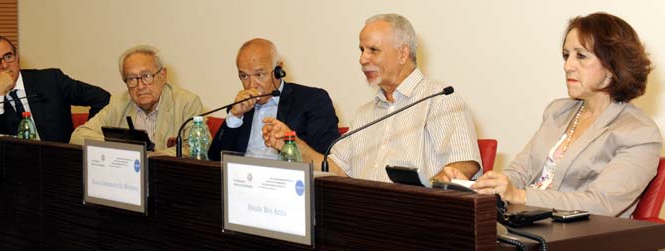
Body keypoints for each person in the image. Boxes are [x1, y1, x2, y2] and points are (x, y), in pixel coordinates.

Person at [469, 12, 662, 218]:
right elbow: (520, 173)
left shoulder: (640, 133)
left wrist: (520, 196)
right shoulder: (558, 111)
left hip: (579, 237)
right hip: (525, 223)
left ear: (611, 67)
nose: (567, 66)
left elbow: (601, 203)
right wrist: (487, 185)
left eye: (581, 56)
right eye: (566, 55)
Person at [262, 14, 482, 182]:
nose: (362, 59)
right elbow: (334, 168)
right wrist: (292, 144)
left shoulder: (439, 98)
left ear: (403, 54)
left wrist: (425, 195)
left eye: (373, 50)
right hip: (365, 222)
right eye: (361, 49)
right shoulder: (365, 114)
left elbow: (464, 164)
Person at [207, 38, 340, 160]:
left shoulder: (312, 100)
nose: (251, 85)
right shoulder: (240, 107)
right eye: (244, 76)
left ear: (278, 70)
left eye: (259, 74)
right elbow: (215, 159)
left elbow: (326, 159)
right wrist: (235, 116)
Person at [0, 35, 110, 143]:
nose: (5, 65)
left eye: (8, 56)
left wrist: (84, 134)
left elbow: (102, 98)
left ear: (17, 57)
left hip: (62, 162)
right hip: (18, 170)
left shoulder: (50, 80)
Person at [70, 45, 203, 156]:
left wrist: (147, 156)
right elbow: (78, 136)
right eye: (132, 79)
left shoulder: (187, 103)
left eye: (146, 76)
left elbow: (197, 150)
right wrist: (127, 149)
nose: (140, 86)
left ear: (163, 75)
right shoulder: (118, 103)